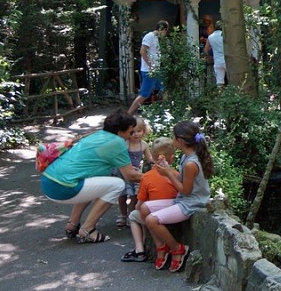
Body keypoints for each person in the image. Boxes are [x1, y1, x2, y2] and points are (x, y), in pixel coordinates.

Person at [40, 110, 144, 244]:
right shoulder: (117, 142)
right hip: (63, 188)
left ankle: (72, 224)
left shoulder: (98, 134)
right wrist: (158, 176)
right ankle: (87, 230)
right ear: (120, 132)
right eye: (130, 132)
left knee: (94, 183)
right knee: (118, 185)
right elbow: (130, 175)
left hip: (48, 181)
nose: (131, 136)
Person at [140, 121, 213, 272]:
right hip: (184, 199)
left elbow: (186, 191)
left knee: (151, 220)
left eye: (173, 137)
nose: (172, 140)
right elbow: (183, 180)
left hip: (192, 203)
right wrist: (167, 170)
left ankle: (177, 248)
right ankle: (161, 246)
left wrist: (168, 174)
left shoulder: (191, 163)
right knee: (144, 208)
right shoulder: (186, 157)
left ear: (180, 141)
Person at [121, 137, 179, 263]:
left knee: (133, 216)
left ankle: (139, 249)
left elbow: (140, 204)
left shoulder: (146, 177)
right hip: (173, 213)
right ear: (172, 158)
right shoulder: (176, 175)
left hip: (154, 216)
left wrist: (137, 207)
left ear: (152, 157)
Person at [114, 117, 153, 228]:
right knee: (122, 195)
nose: (135, 134)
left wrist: (156, 161)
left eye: (139, 131)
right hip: (123, 173)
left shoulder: (143, 145)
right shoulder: (125, 144)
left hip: (135, 174)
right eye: (132, 132)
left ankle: (131, 215)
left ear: (143, 131)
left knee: (135, 195)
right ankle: (123, 215)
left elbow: (149, 158)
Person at [128, 20, 169, 115]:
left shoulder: (155, 38)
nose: (165, 34)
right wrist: (151, 66)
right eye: (166, 32)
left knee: (163, 89)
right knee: (144, 95)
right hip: (149, 71)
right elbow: (142, 51)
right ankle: (128, 114)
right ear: (164, 30)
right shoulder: (150, 36)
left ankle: (167, 111)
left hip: (155, 71)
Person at [204, 20, 226, 86]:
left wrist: (209, 56)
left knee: (219, 82)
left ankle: (220, 92)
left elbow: (206, 50)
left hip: (217, 61)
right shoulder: (225, 36)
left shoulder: (210, 37)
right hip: (227, 60)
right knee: (233, 80)